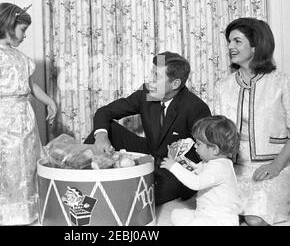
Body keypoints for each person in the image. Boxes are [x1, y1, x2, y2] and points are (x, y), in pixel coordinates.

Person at [214, 17, 290, 226]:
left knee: (254, 219)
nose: (230, 47)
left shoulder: (282, 82)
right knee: (221, 216)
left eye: (237, 41)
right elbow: (217, 133)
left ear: (256, 45)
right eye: (229, 41)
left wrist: (277, 165)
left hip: (274, 167)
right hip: (233, 169)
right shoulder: (223, 86)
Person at [0, 2, 57, 226]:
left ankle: (25, 214)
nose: (25, 35)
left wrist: (49, 101)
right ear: (7, 26)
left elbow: (31, 86)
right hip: (0, 117)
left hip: (24, 116)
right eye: (22, 30)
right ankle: (1, 216)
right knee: (3, 165)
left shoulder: (21, 58)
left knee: (26, 163)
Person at [84, 51, 212, 205]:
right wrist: (101, 137)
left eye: (156, 77)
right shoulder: (148, 93)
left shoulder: (196, 107)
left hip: (174, 168)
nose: (150, 81)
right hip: (150, 151)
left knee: (142, 195)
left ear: (175, 84)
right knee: (104, 129)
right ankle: (80, 180)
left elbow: (205, 153)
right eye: (152, 74)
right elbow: (104, 112)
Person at [160, 115, 241, 226]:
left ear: (214, 149)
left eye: (198, 144)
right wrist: (182, 161)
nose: (195, 146)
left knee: (196, 223)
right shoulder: (210, 162)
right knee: (177, 214)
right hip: (205, 212)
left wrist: (174, 167)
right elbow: (196, 171)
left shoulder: (220, 168)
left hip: (221, 219)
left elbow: (196, 183)